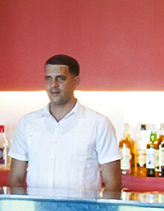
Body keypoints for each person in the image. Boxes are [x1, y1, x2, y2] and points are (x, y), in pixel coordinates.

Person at [8, 53, 123, 197]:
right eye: (48, 78)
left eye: (60, 78)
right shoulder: (27, 123)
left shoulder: (99, 124)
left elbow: (113, 184)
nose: (53, 85)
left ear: (76, 81)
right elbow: (15, 179)